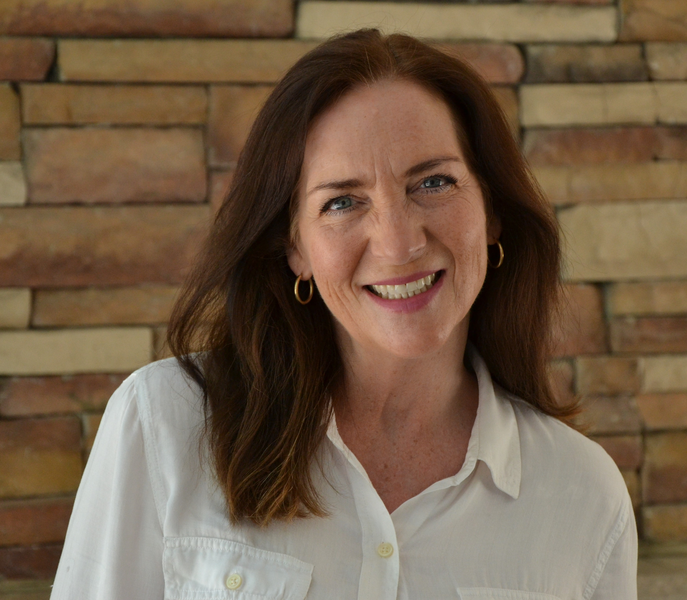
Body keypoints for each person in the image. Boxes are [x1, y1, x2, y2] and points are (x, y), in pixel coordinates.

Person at [51, 29, 637, 600]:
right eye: (342, 202)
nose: (398, 243)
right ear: (295, 248)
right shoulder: (164, 424)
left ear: (492, 212)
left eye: (433, 181)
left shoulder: (583, 495)